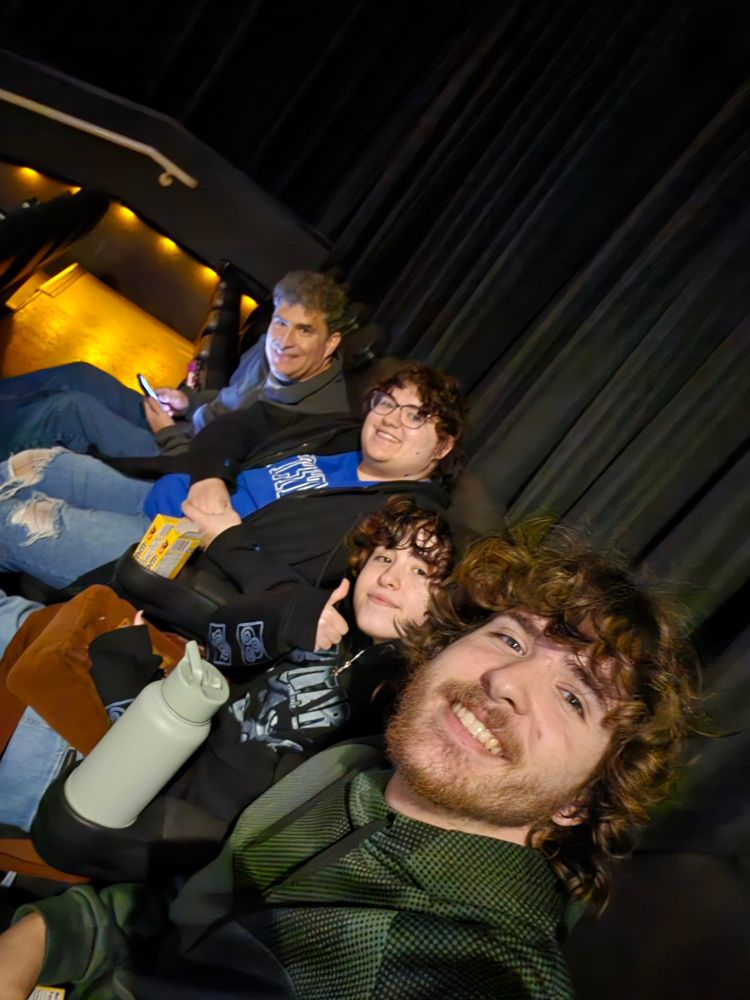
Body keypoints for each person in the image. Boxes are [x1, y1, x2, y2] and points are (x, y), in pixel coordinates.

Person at [0, 524, 701, 999]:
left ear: (577, 801)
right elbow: (181, 908)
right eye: (511, 641)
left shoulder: (467, 964)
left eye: (575, 699)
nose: (507, 683)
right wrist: (54, 933)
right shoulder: (356, 770)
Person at [0, 498, 454, 837]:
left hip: (135, 802)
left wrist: (134, 685)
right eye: (386, 557)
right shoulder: (329, 620)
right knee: (31, 622)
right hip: (150, 735)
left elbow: (217, 803)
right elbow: (226, 641)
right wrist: (285, 622)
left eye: (420, 572)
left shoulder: (396, 705)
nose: (391, 576)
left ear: (446, 603)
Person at [0, 364, 465, 666]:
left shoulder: (404, 519)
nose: (389, 419)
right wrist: (210, 477)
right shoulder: (343, 435)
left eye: (415, 416)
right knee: (38, 464)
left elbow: (297, 594)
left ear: (442, 447)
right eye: (386, 403)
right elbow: (246, 422)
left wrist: (224, 534)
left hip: (173, 553)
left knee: (12, 522)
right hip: (168, 490)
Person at [0, 271, 350, 460]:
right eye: (280, 323)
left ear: (331, 342)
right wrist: (188, 402)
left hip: (178, 461)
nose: (284, 341)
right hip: (182, 428)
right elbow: (230, 397)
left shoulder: (316, 419)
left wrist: (167, 433)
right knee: (80, 374)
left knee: (69, 410)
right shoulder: (270, 347)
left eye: (304, 330)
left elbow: (223, 475)